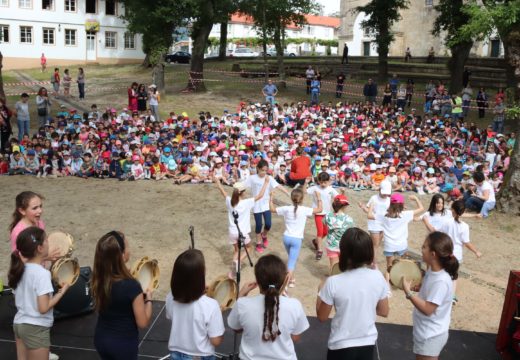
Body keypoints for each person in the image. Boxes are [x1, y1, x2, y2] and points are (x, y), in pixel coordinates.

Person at [317, 227, 389, 360]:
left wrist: (320, 291)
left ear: (344, 252)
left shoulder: (333, 282)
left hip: (340, 346)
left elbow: (322, 317)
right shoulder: (378, 277)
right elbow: (383, 311)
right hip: (367, 344)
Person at [228, 254, 309, 360]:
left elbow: (236, 328)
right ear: (284, 279)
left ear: (258, 281)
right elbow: (295, 337)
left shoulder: (242, 304)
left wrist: (241, 295)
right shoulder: (295, 305)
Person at [8, 227, 70, 360]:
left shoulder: (20, 269)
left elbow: (17, 295)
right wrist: (61, 292)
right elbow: (43, 308)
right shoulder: (42, 274)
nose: (49, 241)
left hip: (19, 324)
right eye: (46, 240)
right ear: (40, 248)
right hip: (35, 328)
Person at [91, 231, 153, 360]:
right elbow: (143, 322)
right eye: (128, 247)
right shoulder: (132, 286)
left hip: (101, 339)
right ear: (123, 255)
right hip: (123, 345)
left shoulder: (98, 278)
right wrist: (149, 300)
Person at [402, 231, 459, 360]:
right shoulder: (432, 271)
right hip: (425, 331)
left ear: (433, 254)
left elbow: (428, 309)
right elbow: (430, 291)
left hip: (431, 335)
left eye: (424, 247)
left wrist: (409, 293)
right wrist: (419, 288)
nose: (421, 250)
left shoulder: (441, 281)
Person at [166, 249, 224, 360]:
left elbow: (175, 316)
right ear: (200, 277)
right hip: (202, 356)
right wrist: (218, 315)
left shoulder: (170, 297)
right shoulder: (211, 305)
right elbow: (216, 341)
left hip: (176, 354)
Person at [423, 200, 482, 304]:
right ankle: (452, 296)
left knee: (441, 274)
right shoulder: (465, 226)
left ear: (452, 210)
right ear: (463, 211)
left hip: (444, 252)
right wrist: (476, 251)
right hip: (457, 255)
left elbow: (436, 232)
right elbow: (467, 243)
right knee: (454, 276)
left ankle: (436, 293)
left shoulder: (447, 222)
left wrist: (426, 222)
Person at [214, 176, 269, 278]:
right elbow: (260, 195)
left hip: (232, 232)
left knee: (236, 250)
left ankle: (233, 271)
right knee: (249, 247)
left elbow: (222, 191)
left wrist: (218, 183)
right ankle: (237, 262)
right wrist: (266, 183)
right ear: (242, 192)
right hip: (242, 232)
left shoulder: (230, 201)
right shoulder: (246, 202)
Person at [270, 187, 322, 288]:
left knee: (291, 258)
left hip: (286, 237)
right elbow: (320, 209)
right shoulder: (304, 210)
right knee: (291, 263)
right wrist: (319, 198)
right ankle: (286, 282)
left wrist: (271, 198)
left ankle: (292, 278)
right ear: (302, 199)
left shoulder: (286, 208)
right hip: (296, 239)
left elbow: (272, 209)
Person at [367, 193, 424, 285]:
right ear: (402, 205)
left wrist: (372, 205)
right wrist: (416, 198)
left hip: (389, 245)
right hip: (402, 244)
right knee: (403, 263)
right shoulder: (405, 214)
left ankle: (387, 287)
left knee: (389, 266)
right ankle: (401, 282)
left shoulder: (384, 216)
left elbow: (369, 215)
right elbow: (421, 209)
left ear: (390, 204)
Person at [244, 159, 290, 254]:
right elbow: (243, 186)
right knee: (258, 225)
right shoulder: (252, 178)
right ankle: (258, 242)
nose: (264, 172)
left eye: (265, 170)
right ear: (258, 168)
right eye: (262, 170)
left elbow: (278, 186)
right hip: (256, 205)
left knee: (268, 224)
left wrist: (287, 193)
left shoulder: (269, 178)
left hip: (266, 204)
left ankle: (264, 235)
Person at [307, 172, 340, 260]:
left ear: (328, 181)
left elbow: (338, 197)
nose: (323, 184)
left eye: (325, 182)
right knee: (320, 232)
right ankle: (319, 250)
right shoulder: (314, 188)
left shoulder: (330, 189)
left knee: (326, 232)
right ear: (318, 181)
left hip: (327, 214)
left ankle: (316, 241)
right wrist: (305, 183)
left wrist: (343, 193)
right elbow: (304, 191)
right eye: (321, 182)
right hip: (318, 213)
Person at [358, 181, 391, 265]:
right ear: (379, 189)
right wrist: (363, 207)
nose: (385, 195)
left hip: (384, 224)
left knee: (376, 244)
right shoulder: (374, 198)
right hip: (374, 223)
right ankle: (374, 264)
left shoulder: (389, 199)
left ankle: (368, 258)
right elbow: (368, 210)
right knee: (375, 245)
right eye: (384, 192)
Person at [323, 195, 355, 270]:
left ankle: (332, 280)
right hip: (344, 246)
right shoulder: (349, 219)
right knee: (344, 266)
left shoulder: (328, 216)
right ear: (345, 206)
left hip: (331, 245)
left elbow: (324, 223)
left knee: (333, 267)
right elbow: (351, 233)